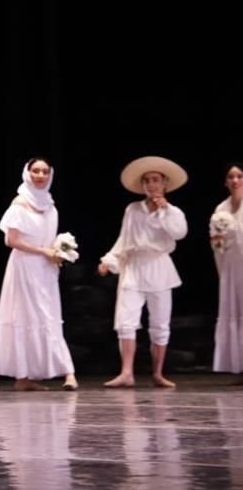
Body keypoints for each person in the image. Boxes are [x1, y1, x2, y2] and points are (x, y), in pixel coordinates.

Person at [99, 156, 188, 388]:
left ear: (164, 183)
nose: (151, 184)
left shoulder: (174, 212)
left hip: (159, 267)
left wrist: (164, 210)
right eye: (147, 180)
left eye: (155, 180)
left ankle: (158, 373)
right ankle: (126, 372)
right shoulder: (132, 209)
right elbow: (124, 239)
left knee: (160, 323)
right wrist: (109, 260)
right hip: (134, 267)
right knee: (126, 321)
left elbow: (179, 233)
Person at [0, 158, 77, 391]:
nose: (40, 175)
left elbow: (50, 239)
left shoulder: (50, 205)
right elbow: (12, 240)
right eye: (36, 171)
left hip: (45, 269)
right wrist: (43, 251)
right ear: (27, 173)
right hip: (25, 267)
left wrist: (59, 251)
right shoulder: (20, 203)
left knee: (48, 315)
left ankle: (58, 372)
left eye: (45, 171)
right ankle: (29, 376)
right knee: (26, 317)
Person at [210, 162, 243, 376]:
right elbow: (216, 243)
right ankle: (238, 365)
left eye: (240, 176)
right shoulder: (220, 210)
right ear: (225, 181)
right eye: (231, 176)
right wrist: (219, 242)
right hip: (232, 264)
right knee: (235, 310)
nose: (235, 180)